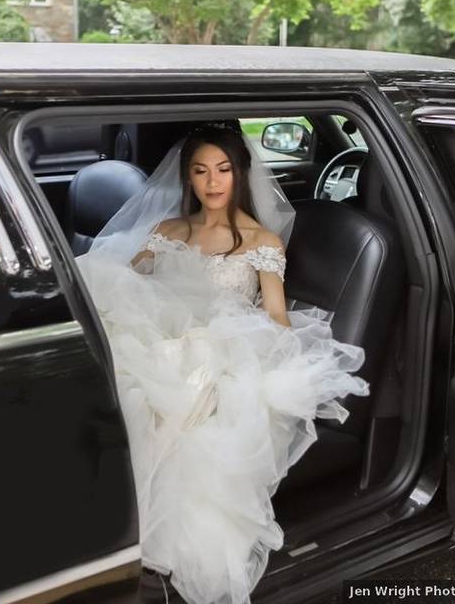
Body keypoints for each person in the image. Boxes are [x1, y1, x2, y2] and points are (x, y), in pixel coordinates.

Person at [75, 124, 369, 604]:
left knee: (178, 406)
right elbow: (124, 289)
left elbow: (275, 318)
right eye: (200, 171)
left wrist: (263, 355)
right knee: (121, 381)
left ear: (240, 174)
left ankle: (136, 540)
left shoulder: (262, 243)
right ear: (187, 178)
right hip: (161, 340)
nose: (212, 182)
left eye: (224, 170)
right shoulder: (166, 231)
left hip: (223, 347)